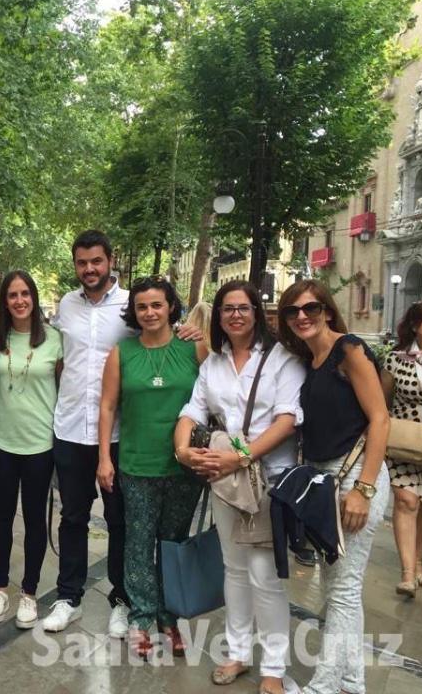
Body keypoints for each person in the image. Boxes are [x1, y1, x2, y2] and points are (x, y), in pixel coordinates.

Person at [44, 231, 201, 635]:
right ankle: (69, 597)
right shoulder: (66, 305)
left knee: (121, 522)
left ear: (110, 260)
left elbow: (160, 335)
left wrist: (188, 331)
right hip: (70, 428)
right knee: (72, 517)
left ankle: (122, 598)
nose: (89, 269)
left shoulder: (133, 305)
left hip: (118, 436)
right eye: (82, 262)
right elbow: (61, 358)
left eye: (96, 261)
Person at [174, 281, 304, 694]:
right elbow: (192, 411)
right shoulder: (214, 362)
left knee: (264, 574)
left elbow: (287, 420)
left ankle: (274, 667)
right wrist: (182, 450)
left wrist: (240, 455)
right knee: (233, 568)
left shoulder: (281, 358)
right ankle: (237, 652)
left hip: (269, 480)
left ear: (256, 312)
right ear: (218, 316)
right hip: (227, 481)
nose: (235, 315)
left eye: (243, 308)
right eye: (227, 309)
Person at [277, 280, 390, 694]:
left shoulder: (348, 349)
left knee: (342, 589)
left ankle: (323, 686)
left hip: (355, 474)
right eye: (292, 311)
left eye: (310, 308)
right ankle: (351, 683)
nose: (302, 316)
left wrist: (364, 489)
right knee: (340, 587)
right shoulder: (310, 359)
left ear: (326, 310)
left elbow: (380, 419)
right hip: (326, 480)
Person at [96, 276, 208, 658]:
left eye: (157, 304)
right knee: (139, 543)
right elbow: (107, 406)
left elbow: (215, 396)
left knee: (173, 542)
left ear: (171, 307)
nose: (149, 312)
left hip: (184, 466)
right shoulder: (122, 353)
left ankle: (168, 616)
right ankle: (141, 617)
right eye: (142, 306)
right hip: (136, 464)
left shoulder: (194, 348)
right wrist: (104, 458)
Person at [0, 272, 63, 630]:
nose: (19, 301)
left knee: (34, 519)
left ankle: (29, 592)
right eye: (12, 295)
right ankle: (0, 588)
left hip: (40, 443)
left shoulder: (55, 340)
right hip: (0, 441)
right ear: (5, 301)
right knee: (1, 516)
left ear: (34, 297)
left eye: (25, 294)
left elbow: (65, 387)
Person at [381, 300, 422, 597]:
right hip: (405, 442)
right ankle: (407, 574)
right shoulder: (396, 359)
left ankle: (419, 561)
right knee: (406, 501)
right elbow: (382, 401)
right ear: (414, 325)